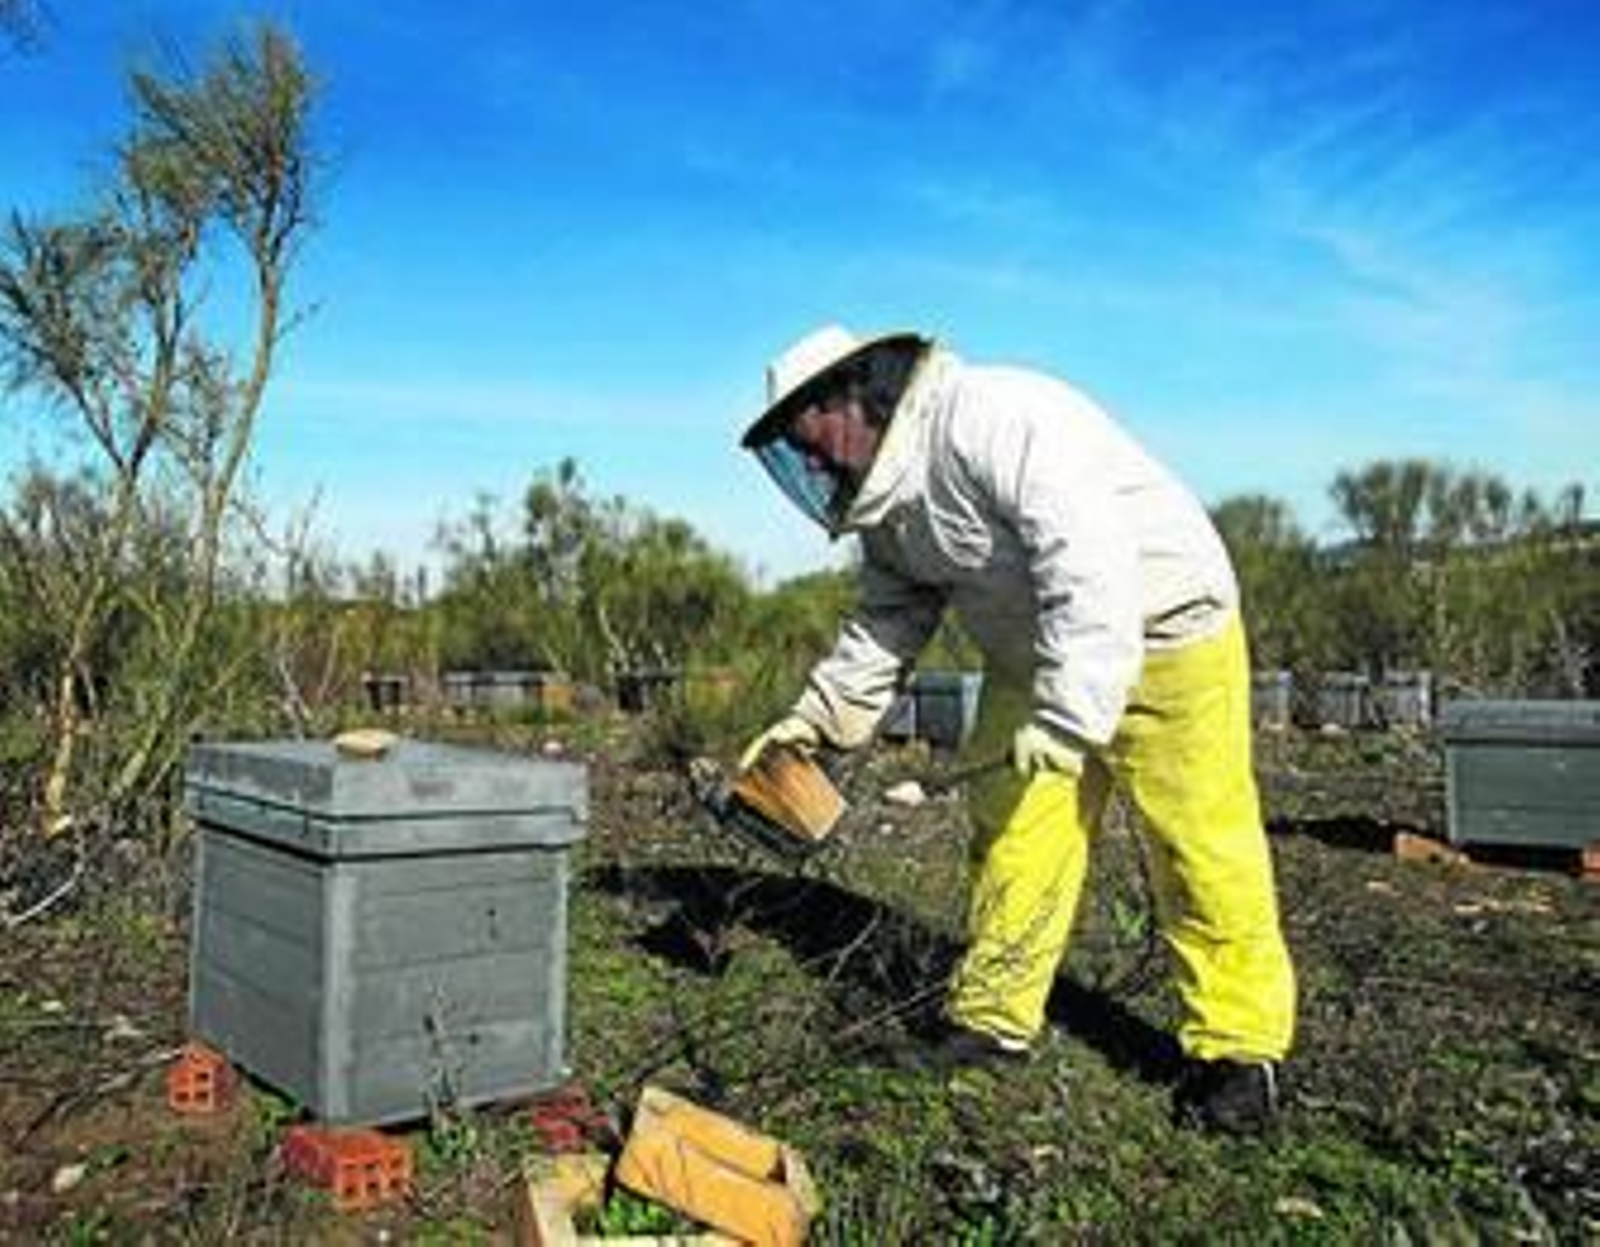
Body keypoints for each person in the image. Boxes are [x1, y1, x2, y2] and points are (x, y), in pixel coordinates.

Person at [738, 324, 1297, 1134]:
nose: (810, 460)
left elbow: (1089, 564)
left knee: (1197, 842)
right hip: (1033, 656)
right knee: (1013, 836)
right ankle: (992, 1022)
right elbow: (887, 622)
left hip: (1168, 627)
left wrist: (1069, 715)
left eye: (808, 435)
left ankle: (1240, 1055)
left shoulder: (994, 417)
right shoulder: (890, 511)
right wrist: (813, 725)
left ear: (853, 395)